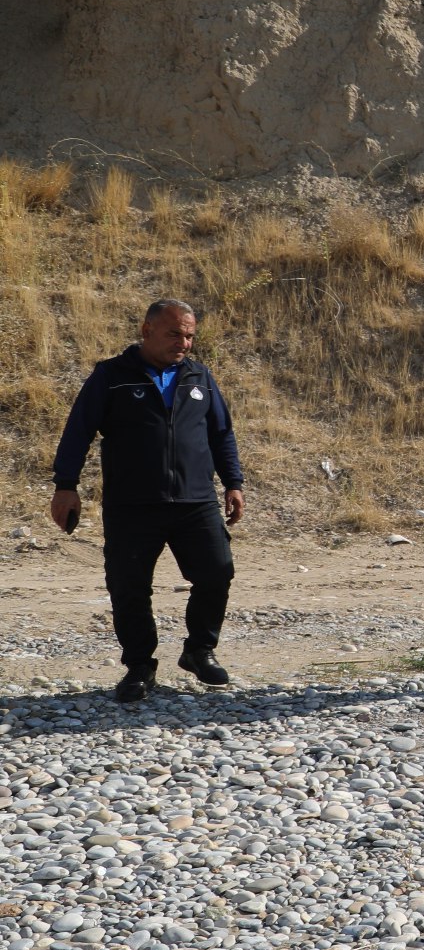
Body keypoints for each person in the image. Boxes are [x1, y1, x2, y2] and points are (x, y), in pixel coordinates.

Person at [50, 299, 247, 703]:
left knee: (217, 572)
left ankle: (198, 650)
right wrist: (66, 485)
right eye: (175, 333)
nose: (185, 343)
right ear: (147, 330)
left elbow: (221, 434)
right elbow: (78, 432)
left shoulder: (199, 377)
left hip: (195, 501)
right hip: (132, 504)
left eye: (190, 335)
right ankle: (140, 665)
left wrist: (233, 482)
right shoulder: (111, 376)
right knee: (129, 587)